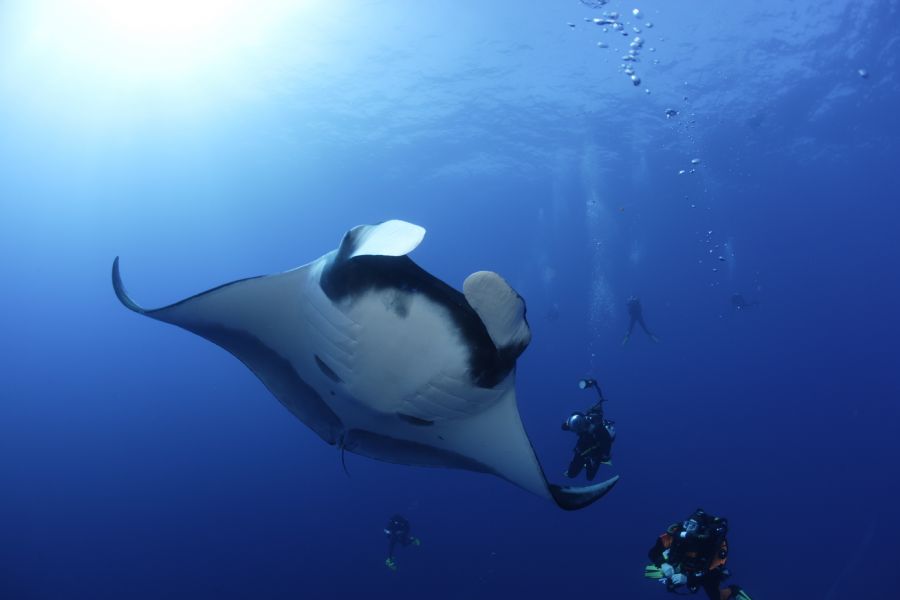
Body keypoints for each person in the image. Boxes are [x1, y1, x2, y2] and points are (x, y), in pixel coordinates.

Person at [644, 508, 752, 600]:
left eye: (693, 526)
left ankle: (734, 591)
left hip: (703, 572)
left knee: (717, 597)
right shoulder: (675, 534)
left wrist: (688, 579)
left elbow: (712, 571)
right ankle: (671, 572)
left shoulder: (709, 543)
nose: (688, 529)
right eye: (687, 524)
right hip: (681, 565)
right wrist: (663, 564)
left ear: (700, 529)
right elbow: (653, 553)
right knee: (649, 571)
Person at [561, 378, 616, 481]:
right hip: (584, 445)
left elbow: (606, 442)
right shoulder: (578, 420)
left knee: (589, 477)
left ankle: (588, 463)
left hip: (596, 449)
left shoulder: (597, 428)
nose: (577, 430)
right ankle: (577, 468)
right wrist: (567, 425)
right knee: (572, 473)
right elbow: (564, 427)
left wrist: (605, 455)